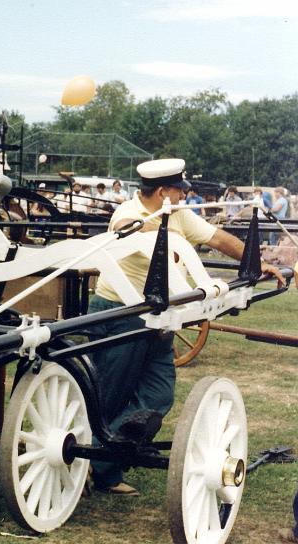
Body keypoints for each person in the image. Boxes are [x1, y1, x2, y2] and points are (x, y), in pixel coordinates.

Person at [88, 158, 284, 496]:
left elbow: (219, 238)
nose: (184, 196)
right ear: (163, 191)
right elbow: (132, 230)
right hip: (120, 314)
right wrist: (167, 240)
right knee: (111, 396)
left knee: (158, 394)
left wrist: (258, 262)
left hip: (160, 319)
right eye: (179, 191)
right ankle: (99, 470)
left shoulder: (177, 214)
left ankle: (100, 461)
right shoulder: (128, 212)